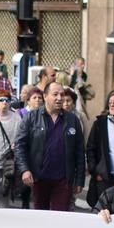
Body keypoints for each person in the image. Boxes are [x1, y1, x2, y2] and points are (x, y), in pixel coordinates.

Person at [14, 82, 85, 212]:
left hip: (63, 180)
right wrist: (24, 170)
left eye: (62, 95)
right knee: (41, 218)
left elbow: (79, 151)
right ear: (45, 96)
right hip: (39, 178)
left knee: (60, 218)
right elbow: (20, 146)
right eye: (55, 94)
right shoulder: (31, 117)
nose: (59, 98)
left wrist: (79, 180)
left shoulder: (72, 119)